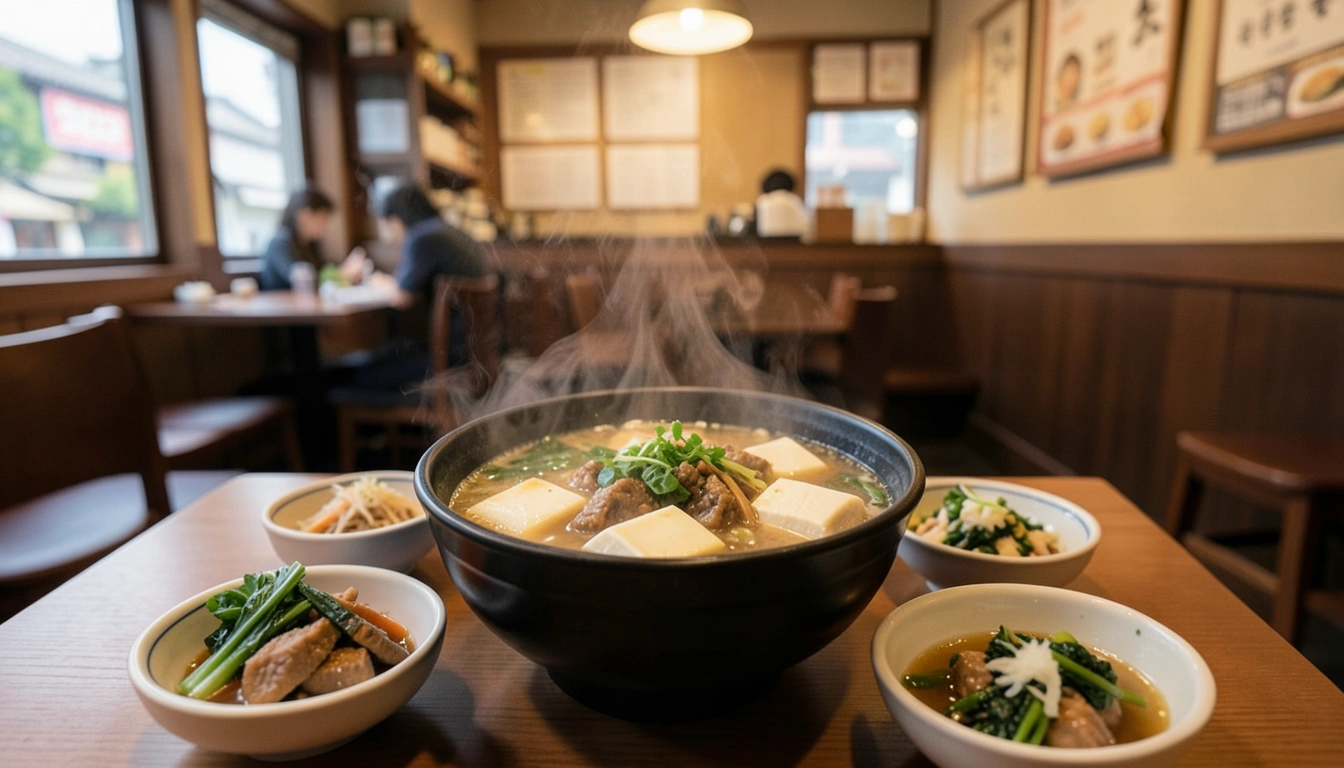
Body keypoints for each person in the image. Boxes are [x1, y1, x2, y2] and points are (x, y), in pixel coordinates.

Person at [259, 188, 365, 290]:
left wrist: (345, 268)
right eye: (322, 219)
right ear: (305, 215)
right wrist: (342, 274)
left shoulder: (309, 245)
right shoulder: (279, 243)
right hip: (283, 306)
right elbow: (301, 278)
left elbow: (323, 268)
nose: (324, 226)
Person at [754, 168, 807, 238]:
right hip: (794, 245)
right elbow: (806, 227)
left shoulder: (762, 201)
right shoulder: (794, 201)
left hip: (765, 245)